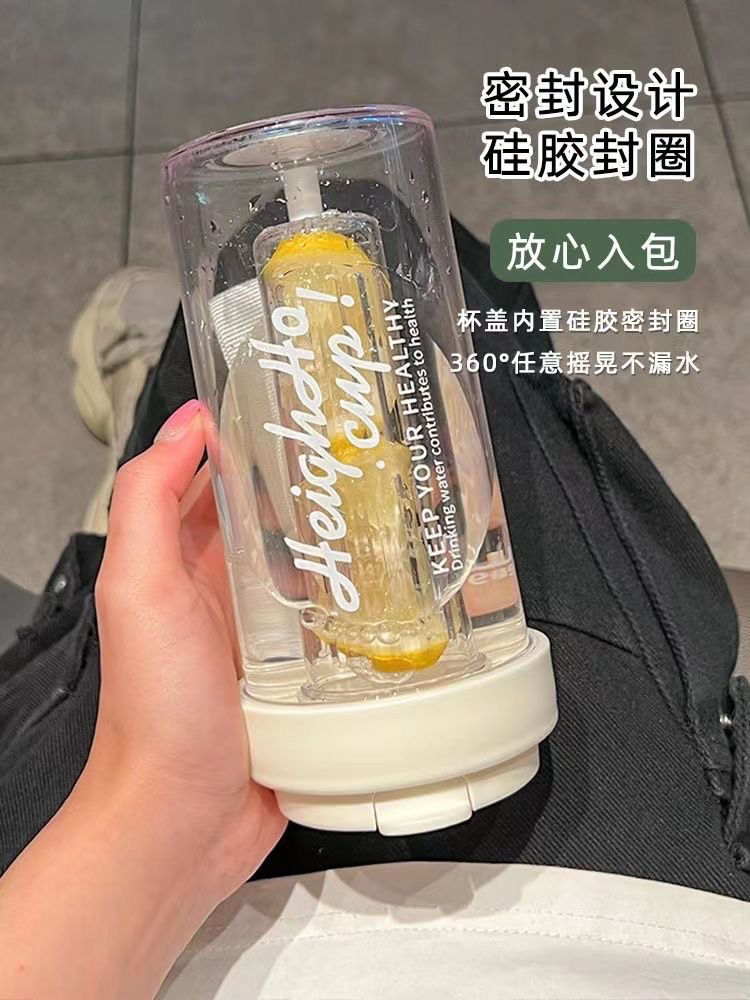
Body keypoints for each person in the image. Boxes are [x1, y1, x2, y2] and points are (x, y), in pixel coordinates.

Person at [1, 217, 749, 998]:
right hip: (652, 915)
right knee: (432, 300)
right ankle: (167, 431)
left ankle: (150, 434)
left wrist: (162, 810)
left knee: (239, 315)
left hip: (122, 903)